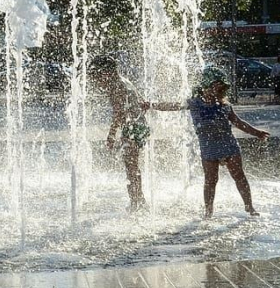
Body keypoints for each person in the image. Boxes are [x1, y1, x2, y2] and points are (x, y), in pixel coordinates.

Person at [142, 66, 269, 219]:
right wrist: (151, 105)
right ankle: (208, 212)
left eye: (221, 86)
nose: (218, 88)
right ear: (206, 85)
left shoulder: (225, 105)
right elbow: (172, 106)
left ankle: (250, 207)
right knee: (210, 180)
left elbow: (239, 123)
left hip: (228, 144)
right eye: (216, 85)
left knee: (239, 176)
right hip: (209, 147)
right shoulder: (194, 103)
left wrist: (257, 133)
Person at [88, 55, 149, 213]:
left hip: (132, 128)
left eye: (96, 76)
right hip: (139, 125)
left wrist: (111, 135)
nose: (96, 82)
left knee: (130, 166)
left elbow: (119, 113)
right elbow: (141, 101)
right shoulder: (123, 81)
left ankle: (136, 202)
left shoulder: (116, 86)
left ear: (105, 72)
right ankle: (138, 199)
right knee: (132, 165)